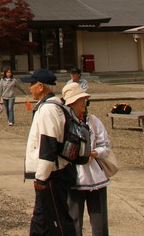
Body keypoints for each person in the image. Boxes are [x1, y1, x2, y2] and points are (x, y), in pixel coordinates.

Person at [22, 68, 74, 236]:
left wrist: (41, 176)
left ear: (41, 86)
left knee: (57, 218)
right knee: (41, 217)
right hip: (53, 171)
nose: (30, 89)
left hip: (52, 174)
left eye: (32, 85)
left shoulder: (48, 110)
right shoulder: (52, 107)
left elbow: (48, 143)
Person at [62, 82, 110, 236]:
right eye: (80, 100)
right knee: (73, 219)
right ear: (71, 103)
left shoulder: (93, 121)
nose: (84, 102)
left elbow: (105, 144)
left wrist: (94, 153)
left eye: (85, 99)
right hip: (73, 176)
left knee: (99, 219)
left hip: (95, 176)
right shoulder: (63, 122)